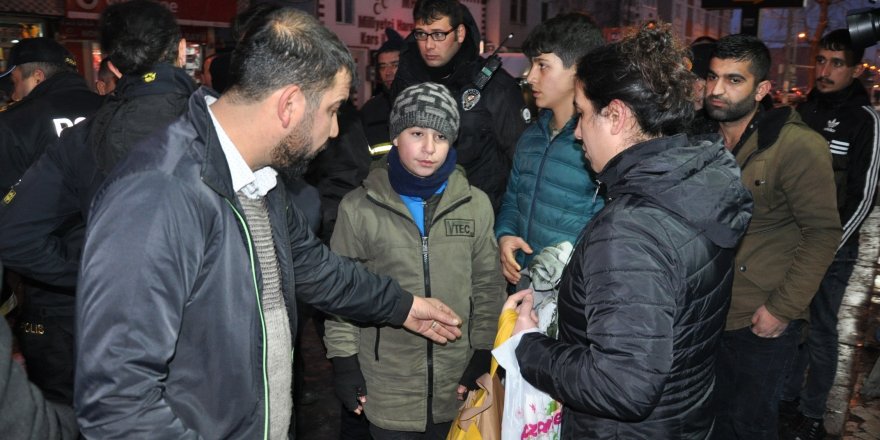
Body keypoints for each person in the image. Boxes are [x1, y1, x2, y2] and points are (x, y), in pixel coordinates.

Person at [74, 8, 463, 439]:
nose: (335, 130)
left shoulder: (260, 177)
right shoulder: (157, 194)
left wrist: (403, 306)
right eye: (334, 110)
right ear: (290, 105)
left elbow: (316, 269)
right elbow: (118, 403)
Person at [498, 23, 753, 438]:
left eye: (582, 115)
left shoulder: (629, 231)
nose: (577, 132)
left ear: (615, 116)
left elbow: (621, 385)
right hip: (682, 420)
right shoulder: (695, 182)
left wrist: (530, 346)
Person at [0, 1, 199, 408]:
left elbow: (15, 234)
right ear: (180, 51)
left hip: (102, 320)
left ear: (110, 65)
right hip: (205, 326)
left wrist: (92, 272)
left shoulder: (81, 136)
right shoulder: (223, 124)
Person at [324, 82, 506, 440]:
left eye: (440, 136)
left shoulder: (475, 204)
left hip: (455, 386)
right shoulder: (359, 208)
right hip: (387, 387)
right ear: (395, 136)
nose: (428, 148)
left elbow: (488, 284)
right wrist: (344, 362)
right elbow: (341, 291)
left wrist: (483, 352)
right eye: (416, 132)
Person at [704, 34, 842, 439]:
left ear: (762, 89)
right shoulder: (706, 142)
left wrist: (782, 309)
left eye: (733, 80)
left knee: (749, 426)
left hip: (758, 321)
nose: (716, 90)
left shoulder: (797, 146)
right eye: (712, 77)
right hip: (708, 313)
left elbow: (822, 234)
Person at [779, 29, 880, 440]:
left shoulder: (865, 121)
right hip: (789, 245)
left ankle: (813, 412)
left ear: (855, 69)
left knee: (821, 332)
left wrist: (828, 246)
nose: (825, 70)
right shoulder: (802, 111)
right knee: (787, 326)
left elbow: (864, 195)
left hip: (833, 253)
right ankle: (785, 400)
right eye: (821, 60)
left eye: (836, 63)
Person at [494, 12, 605, 287]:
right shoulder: (530, 137)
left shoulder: (599, 144)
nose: (530, 77)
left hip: (572, 294)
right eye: (531, 65)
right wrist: (505, 236)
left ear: (578, 70)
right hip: (524, 285)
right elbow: (511, 200)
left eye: (542, 65)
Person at [392, 0, 528, 212]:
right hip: (416, 214)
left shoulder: (495, 86)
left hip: (479, 219)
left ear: (460, 33)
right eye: (421, 34)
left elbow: (522, 165)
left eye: (438, 34)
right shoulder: (407, 80)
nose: (428, 45)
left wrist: (506, 227)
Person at [0, 37, 102, 189]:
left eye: (15, 82)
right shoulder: (110, 107)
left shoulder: (13, 122)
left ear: (37, 77)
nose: (14, 95)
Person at [361, 28, 403, 160]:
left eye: (394, 65)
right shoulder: (370, 110)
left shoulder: (426, 102)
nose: (388, 72)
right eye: (383, 66)